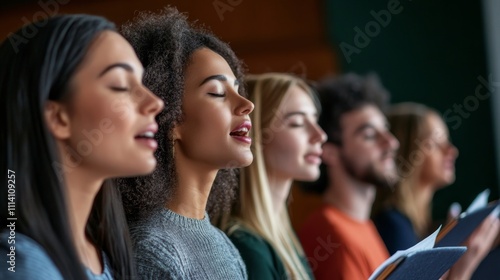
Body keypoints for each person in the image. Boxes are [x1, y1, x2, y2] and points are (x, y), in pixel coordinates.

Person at [0, 14, 164, 280]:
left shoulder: (104, 257)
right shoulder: (22, 267)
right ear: (57, 117)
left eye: (142, 83)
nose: (155, 102)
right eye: (121, 85)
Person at [115, 7, 253, 279]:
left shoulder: (222, 242)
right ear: (169, 119)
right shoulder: (152, 250)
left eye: (238, 89)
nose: (247, 105)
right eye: (217, 92)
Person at [372, 102, 500, 278]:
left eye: (447, 141)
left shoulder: (415, 225)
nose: (451, 151)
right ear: (407, 151)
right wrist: (463, 266)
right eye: (435, 143)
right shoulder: (393, 226)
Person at [222, 73, 325, 279]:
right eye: (297, 123)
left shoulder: (284, 237)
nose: (320, 135)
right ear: (254, 135)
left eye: (314, 120)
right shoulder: (247, 247)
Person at [298, 73, 396, 280]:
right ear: (330, 153)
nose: (391, 142)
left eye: (385, 129)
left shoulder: (362, 224)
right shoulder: (330, 233)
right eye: (369, 135)